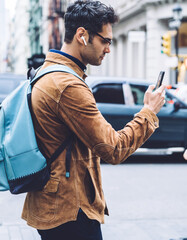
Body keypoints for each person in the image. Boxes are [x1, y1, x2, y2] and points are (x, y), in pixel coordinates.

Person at [21, 1, 165, 239]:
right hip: (70, 212)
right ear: (82, 35)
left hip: (51, 204)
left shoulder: (46, 73)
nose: (108, 48)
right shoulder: (67, 86)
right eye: (105, 40)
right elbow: (114, 148)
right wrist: (148, 112)